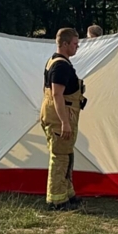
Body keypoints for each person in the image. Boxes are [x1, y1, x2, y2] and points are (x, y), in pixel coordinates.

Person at [39, 28, 87, 211]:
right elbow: (57, 95)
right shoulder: (60, 66)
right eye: (75, 44)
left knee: (66, 155)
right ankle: (57, 201)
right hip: (60, 117)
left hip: (59, 115)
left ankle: (67, 194)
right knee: (60, 157)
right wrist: (65, 122)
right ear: (65, 44)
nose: (77, 47)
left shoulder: (56, 62)